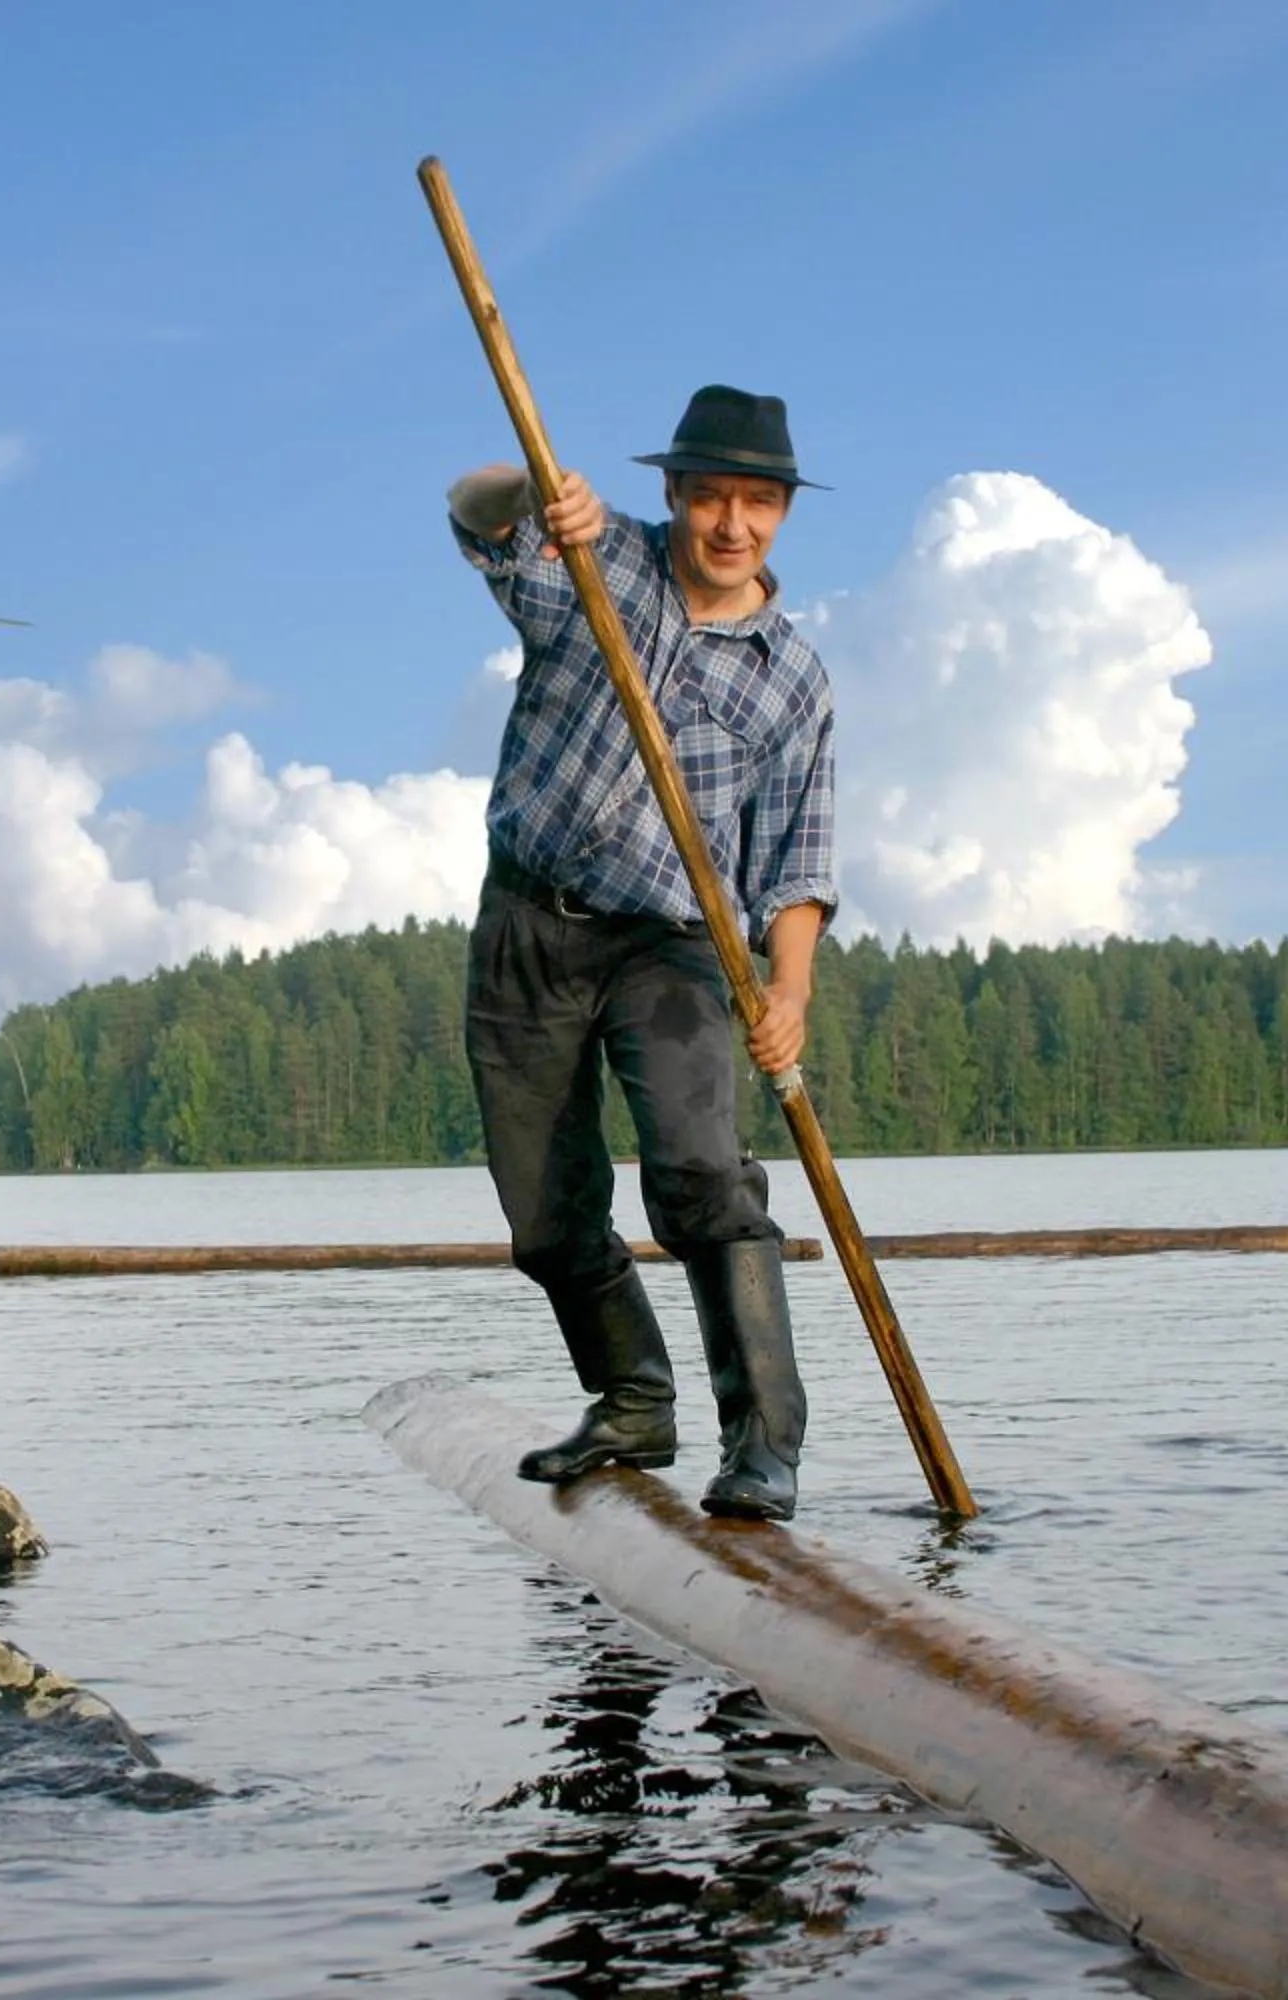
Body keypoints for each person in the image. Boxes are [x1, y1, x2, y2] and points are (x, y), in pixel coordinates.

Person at [447, 384, 836, 1522]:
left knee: (703, 1174)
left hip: (668, 947)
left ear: (781, 513)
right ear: (671, 492)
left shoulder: (794, 679)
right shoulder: (594, 551)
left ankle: (762, 1444)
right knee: (545, 1207)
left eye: (757, 502)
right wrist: (533, 491)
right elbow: (475, 514)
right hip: (525, 922)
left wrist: (789, 986)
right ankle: (632, 1399)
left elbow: (799, 860)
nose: (732, 524)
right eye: (710, 495)